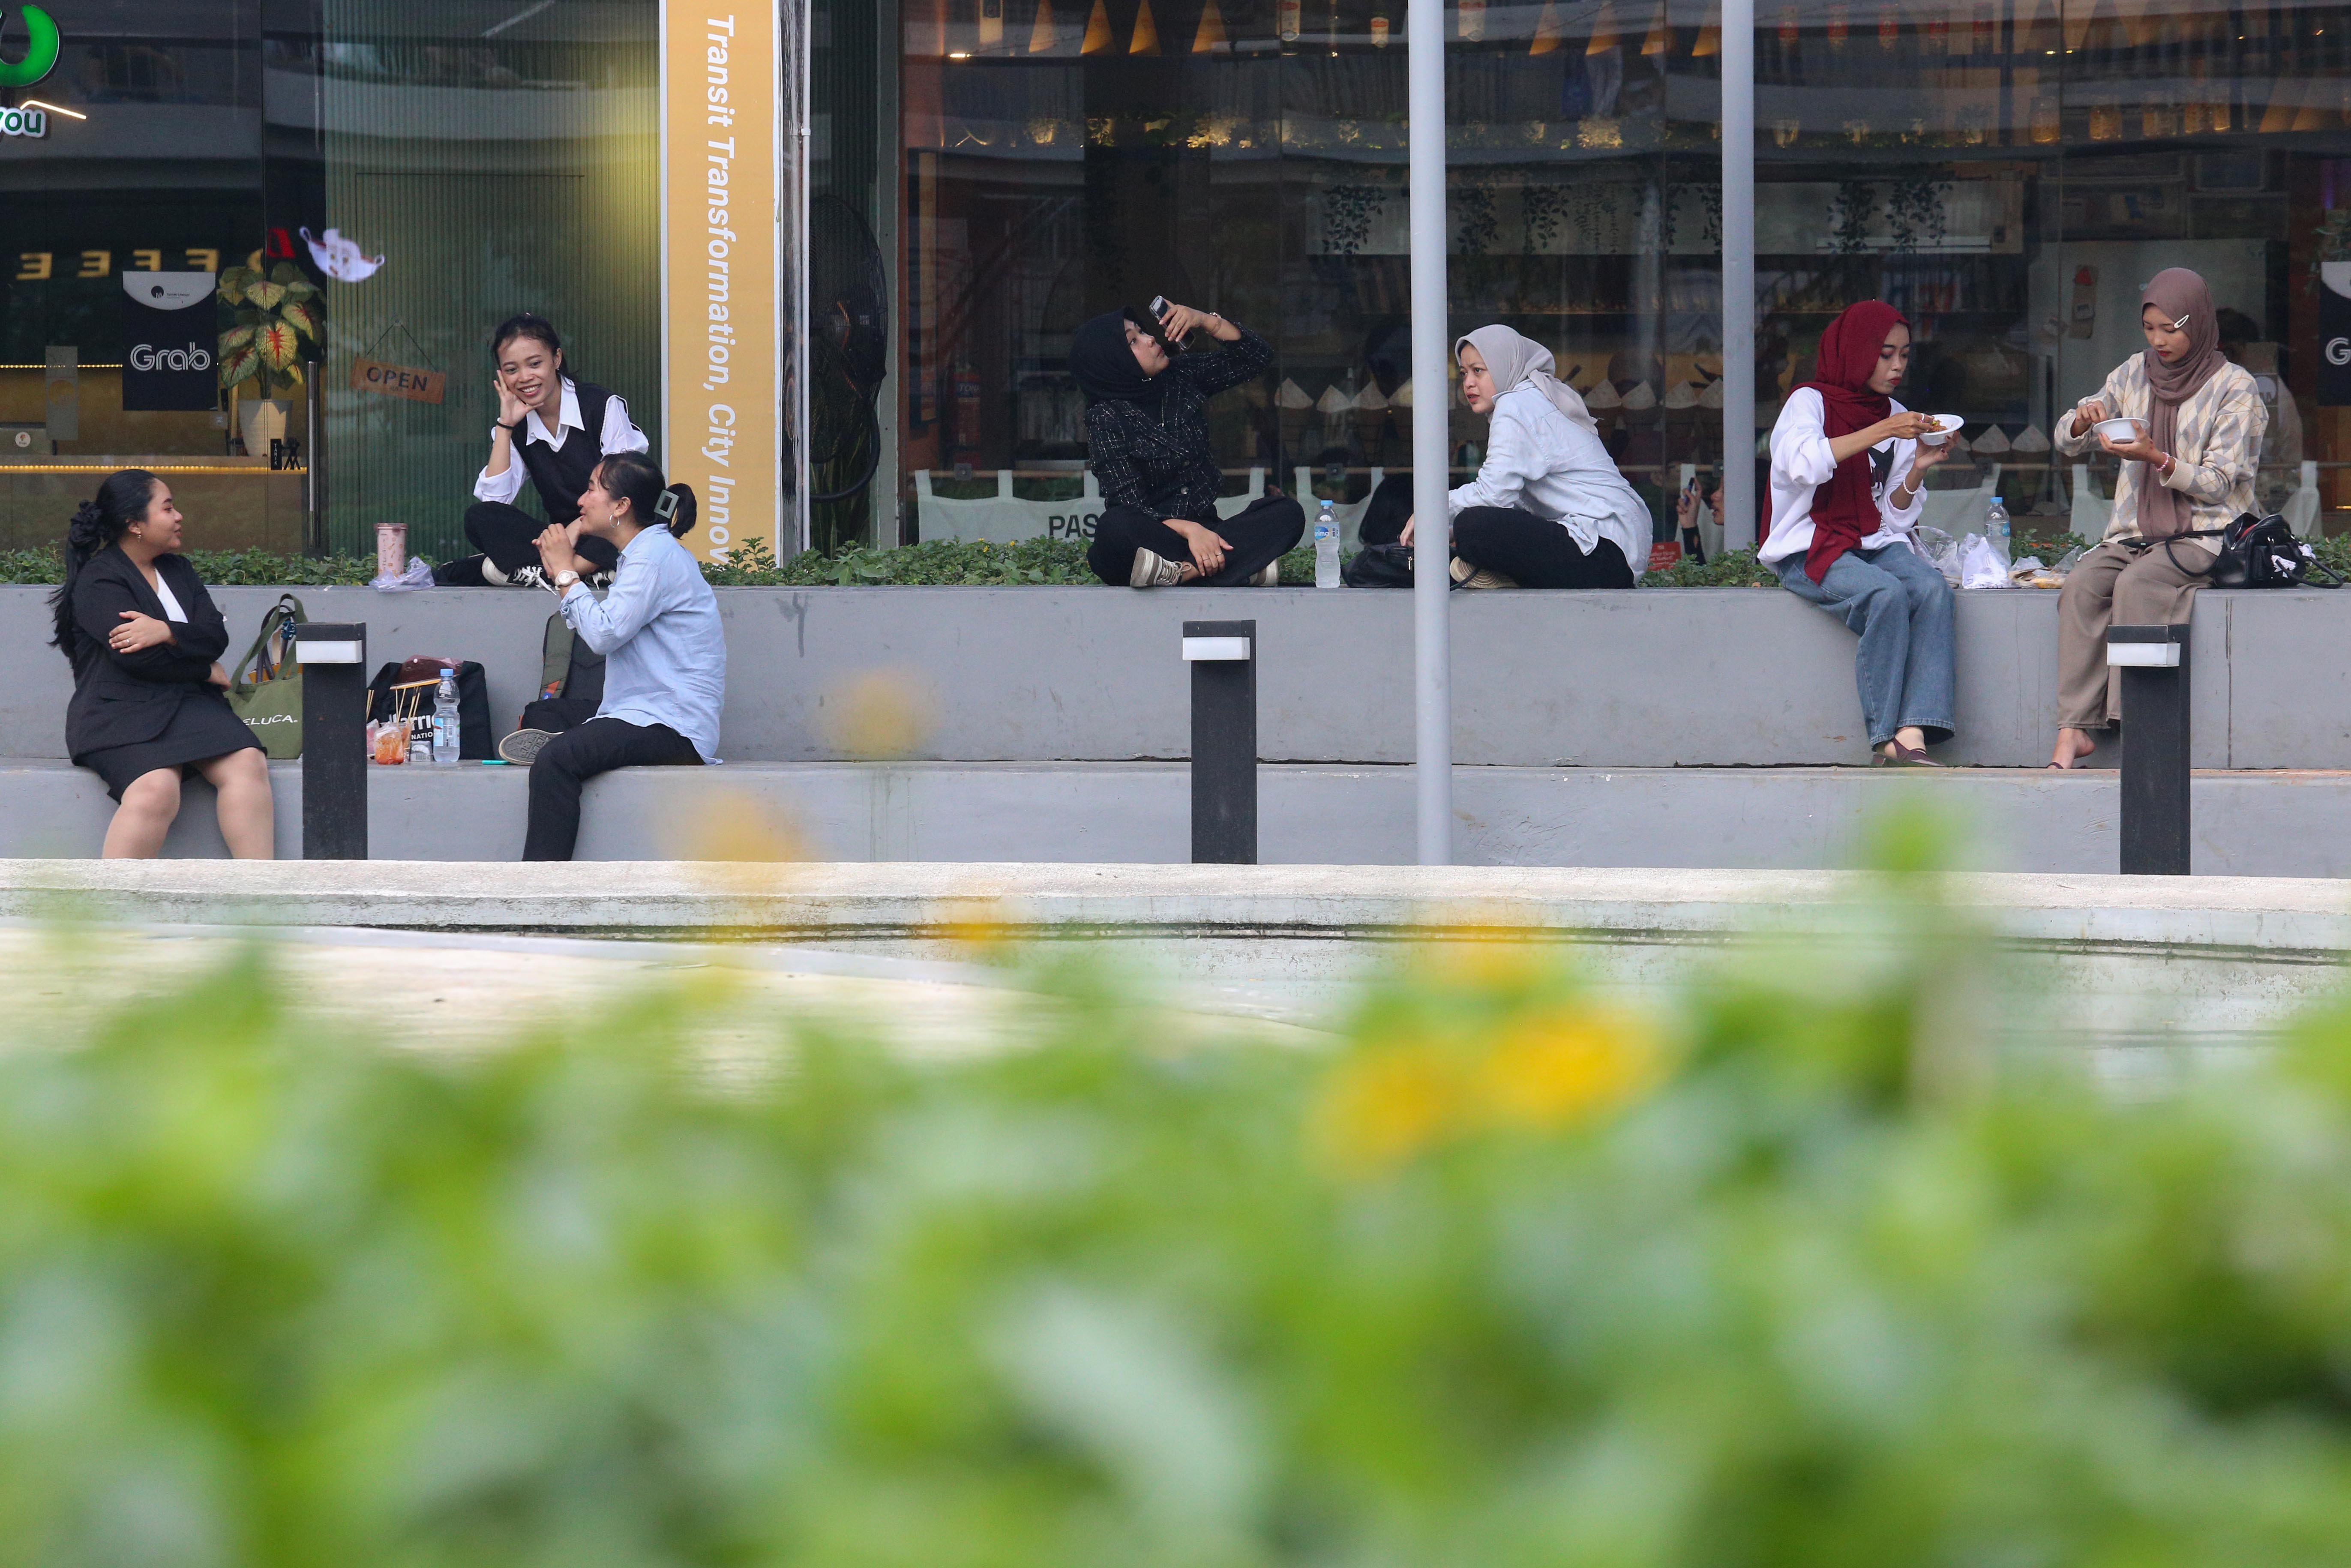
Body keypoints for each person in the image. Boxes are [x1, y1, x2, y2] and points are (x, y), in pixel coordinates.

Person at [2048, 268, 2263, 769]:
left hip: (2205, 534)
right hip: (2133, 531)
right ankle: (2074, 727)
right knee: (2080, 585)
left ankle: (2137, 722)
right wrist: (2083, 419)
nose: (2158, 340)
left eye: (2171, 328)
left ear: (2199, 321)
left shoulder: (2235, 387)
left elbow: (2219, 483)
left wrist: (2158, 459)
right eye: (2149, 328)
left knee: (2138, 584)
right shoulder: (2131, 372)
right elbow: (2064, 440)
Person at [1761, 300, 1957, 766]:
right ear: (1855, 350)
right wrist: (1880, 430)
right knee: (1884, 595)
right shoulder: (1808, 402)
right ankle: (1883, 736)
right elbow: (1803, 464)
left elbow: (1890, 517)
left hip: (1869, 541)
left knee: (1931, 589)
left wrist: (1917, 470)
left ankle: (1914, 729)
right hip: (1807, 546)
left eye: (1904, 355)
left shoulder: (1894, 412)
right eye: (1884, 353)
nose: (1895, 366)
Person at [502, 452, 723, 861]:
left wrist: (566, 573)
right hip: (638, 710)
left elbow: (604, 634)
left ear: (621, 506)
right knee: (542, 715)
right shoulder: (641, 554)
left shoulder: (653, 559)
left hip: (672, 726)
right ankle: (577, 736)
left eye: (591, 490)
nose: (581, 502)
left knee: (555, 762)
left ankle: (541, 898)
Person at [51, 470, 273, 857]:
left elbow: (214, 637)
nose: (179, 516)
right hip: (119, 714)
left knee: (247, 762)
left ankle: (260, 899)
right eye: (167, 508)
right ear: (135, 524)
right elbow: (139, 661)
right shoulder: (100, 581)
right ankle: (115, 913)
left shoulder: (178, 570)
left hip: (188, 704)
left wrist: (166, 631)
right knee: (157, 788)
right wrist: (204, 670)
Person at [1393, 326, 1650, 588]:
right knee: (1466, 530)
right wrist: (1451, 534)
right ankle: (1501, 572)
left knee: (1472, 524)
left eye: (1478, 371)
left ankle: (1498, 570)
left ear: (1505, 364)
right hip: (1616, 554)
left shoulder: (1515, 405)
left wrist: (1432, 510)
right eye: (1464, 373)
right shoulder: (1534, 398)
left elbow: (1494, 495)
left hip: (1602, 551)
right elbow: (1515, 503)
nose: (1468, 382)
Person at [1075, 302, 1304, 587]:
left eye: (1143, 331)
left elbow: (1257, 358)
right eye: (1134, 341)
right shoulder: (1106, 418)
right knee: (1113, 531)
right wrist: (1190, 531)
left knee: (1287, 513)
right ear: (1113, 361)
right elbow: (1129, 504)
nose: (1150, 339)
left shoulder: (1181, 378)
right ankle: (1239, 566)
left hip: (1208, 532)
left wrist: (1204, 320)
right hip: (1157, 535)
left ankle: (1185, 572)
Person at [432, 313, 651, 588]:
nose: (525, 378)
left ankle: (564, 572)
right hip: (560, 542)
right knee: (480, 518)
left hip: (609, 529)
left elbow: (628, 489)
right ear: (501, 375)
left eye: (535, 364)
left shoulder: (601, 406)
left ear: (556, 359)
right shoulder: (516, 426)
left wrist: (578, 527)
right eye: (512, 370)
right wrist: (506, 425)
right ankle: (576, 573)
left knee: (624, 516)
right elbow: (493, 501)